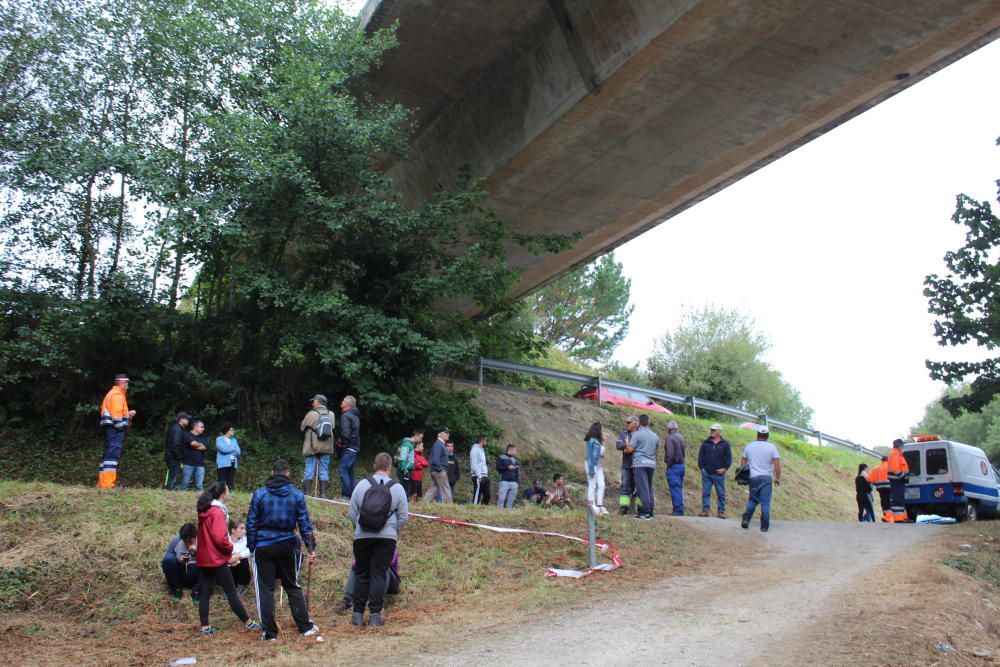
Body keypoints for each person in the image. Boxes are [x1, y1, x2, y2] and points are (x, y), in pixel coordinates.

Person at [246, 458, 319, 641]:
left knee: (265, 590)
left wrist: (252, 547)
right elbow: (304, 524)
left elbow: (251, 524)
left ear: (272, 472)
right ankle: (305, 627)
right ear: (288, 474)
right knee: (292, 585)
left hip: (263, 545)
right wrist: (311, 547)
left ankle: (270, 634)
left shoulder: (259, 494)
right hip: (287, 544)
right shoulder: (296, 495)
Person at [347, 452, 409, 627]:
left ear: (374, 466)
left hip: (362, 537)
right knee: (379, 574)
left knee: (361, 573)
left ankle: (357, 614)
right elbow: (403, 517)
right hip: (386, 538)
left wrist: (359, 529)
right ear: (390, 468)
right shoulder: (397, 488)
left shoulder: (361, 486)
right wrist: (393, 532)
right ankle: (375, 615)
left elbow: (352, 513)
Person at [195, 482, 261, 636]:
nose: (230, 492)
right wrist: (229, 551)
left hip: (205, 556)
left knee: (205, 592)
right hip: (216, 558)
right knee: (231, 591)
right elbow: (220, 537)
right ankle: (248, 622)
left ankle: (204, 627)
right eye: (228, 490)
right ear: (223, 493)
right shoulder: (217, 512)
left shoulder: (205, 509)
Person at [334, 546, 401, 615]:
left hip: (391, 582)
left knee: (384, 569)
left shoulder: (388, 543)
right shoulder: (367, 545)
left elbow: (388, 562)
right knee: (356, 569)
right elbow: (355, 563)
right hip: (372, 579)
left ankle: (378, 605)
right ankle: (347, 602)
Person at [739, 425, 781, 532]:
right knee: (765, 502)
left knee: (753, 500)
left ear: (757, 434)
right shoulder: (772, 447)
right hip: (766, 478)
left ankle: (746, 520)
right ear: (767, 436)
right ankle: (764, 526)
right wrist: (778, 478)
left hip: (753, 478)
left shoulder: (750, 446)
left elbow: (743, 460)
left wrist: (745, 472)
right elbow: (777, 464)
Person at [97, 373, 136, 489]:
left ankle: (102, 483)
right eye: (127, 383)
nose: (128, 385)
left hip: (110, 429)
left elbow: (116, 413)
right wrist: (122, 427)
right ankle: (108, 484)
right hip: (115, 430)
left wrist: (127, 415)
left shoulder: (113, 394)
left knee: (108, 455)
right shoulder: (117, 395)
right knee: (112, 456)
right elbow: (117, 417)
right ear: (122, 383)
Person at [301, 395, 335, 499]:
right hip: (326, 447)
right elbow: (332, 427)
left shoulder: (311, 414)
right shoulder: (331, 414)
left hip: (312, 446)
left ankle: (307, 494)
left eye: (314, 401)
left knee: (309, 468)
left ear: (318, 402)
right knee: (324, 469)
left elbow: (302, 427)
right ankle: (323, 495)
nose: (312, 403)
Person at [698, 423, 732, 518]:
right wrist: (702, 468)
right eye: (711, 430)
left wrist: (725, 468)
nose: (712, 431)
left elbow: (728, 458)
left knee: (721, 493)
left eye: (714, 430)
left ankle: (721, 511)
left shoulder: (725, 444)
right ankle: (705, 510)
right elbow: (701, 456)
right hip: (707, 473)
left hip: (719, 473)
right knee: (706, 492)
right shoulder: (706, 443)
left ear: (719, 432)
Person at [162, 522, 200, 603]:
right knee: (168, 559)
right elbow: (168, 561)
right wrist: (180, 561)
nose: (188, 544)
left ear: (196, 536)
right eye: (185, 542)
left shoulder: (203, 539)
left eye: (190, 541)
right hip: (182, 574)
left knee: (211, 562)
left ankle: (197, 590)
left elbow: (211, 559)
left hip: (198, 575)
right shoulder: (177, 541)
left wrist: (197, 551)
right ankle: (177, 588)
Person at [630, 414, 659, 520]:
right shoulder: (655, 435)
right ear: (648, 422)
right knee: (649, 488)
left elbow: (630, 449)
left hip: (640, 463)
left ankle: (645, 512)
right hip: (651, 463)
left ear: (639, 422)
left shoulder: (637, 434)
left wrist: (626, 444)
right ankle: (650, 511)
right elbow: (656, 450)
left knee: (642, 489)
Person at [616, 416, 640, 515]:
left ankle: (640, 507)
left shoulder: (640, 434)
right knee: (624, 486)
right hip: (626, 464)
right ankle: (624, 507)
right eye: (627, 422)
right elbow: (618, 445)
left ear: (636, 423)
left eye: (629, 422)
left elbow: (640, 446)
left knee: (639, 487)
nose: (627, 424)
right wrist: (629, 446)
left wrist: (628, 446)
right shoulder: (623, 434)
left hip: (638, 464)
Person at [339, 395, 361, 498]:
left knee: (343, 470)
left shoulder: (345, 416)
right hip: (355, 447)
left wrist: (342, 444)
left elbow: (345, 433)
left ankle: (346, 495)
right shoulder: (355, 416)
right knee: (351, 472)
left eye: (343, 400)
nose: (342, 402)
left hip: (348, 447)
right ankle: (353, 495)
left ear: (347, 404)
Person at [423, 428, 453, 504]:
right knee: (446, 488)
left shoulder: (439, 444)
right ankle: (450, 507)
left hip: (435, 470)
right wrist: (441, 469)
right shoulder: (438, 444)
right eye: (446, 433)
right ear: (440, 434)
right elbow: (435, 459)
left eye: (448, 433)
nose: (448, 434)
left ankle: (424, 504)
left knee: (432, 489)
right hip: (439, 471)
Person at [664, 420, 687, 516]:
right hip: (681, 465)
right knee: (678, 488)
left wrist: (668, 464)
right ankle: (679, 508)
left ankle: (678, 510)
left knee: (675, 488)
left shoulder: (670, 438)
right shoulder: (681, 437)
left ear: (669, 429)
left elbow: (670, 454)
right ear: (676, 428)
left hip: (674, 466)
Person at [584, 422, 607, 515]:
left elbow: (602, 454)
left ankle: (600, 505)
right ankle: (591, 504)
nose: (603, 432)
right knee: (592, 485)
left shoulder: (597, 441)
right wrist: (591, 468)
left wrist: (604, 443)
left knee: (601, 485)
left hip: (599, 466)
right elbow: (591, 455)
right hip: (591, 464)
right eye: (602, 429)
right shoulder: (592, 440)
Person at [180, 420, 209, 492]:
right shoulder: (187, 435)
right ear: (195, 427)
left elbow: (205, 447)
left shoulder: (203, 438)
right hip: (188, 464)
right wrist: (200, 444)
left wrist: (195, 444)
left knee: (199, 485)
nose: (203, 429)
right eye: (202, 427)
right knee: (185, 484)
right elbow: (193, 444)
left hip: (200, 465)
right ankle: (182, 500)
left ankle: (202, 502)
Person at [165, 412, 191, 491]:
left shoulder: (177, 428)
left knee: (174, 475)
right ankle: (169, 492)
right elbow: (175, 445)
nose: (188, 420)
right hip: (173, 456)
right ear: (181, 419)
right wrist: (180, 456)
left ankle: (170, 491)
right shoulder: (177, 429)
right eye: (187, 419)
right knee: (173, 476)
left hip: (172, 455)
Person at [887, 438, 910, 523]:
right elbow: (895, 468)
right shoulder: (895, 454)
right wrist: (903, 476)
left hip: (898, 481)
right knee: (898, 500)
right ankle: (898, 519)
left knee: (900, 500)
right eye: (902, 445)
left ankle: (902, 517)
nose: (903, 447)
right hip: (897, 481)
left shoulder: (897, 454)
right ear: (900, 445)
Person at [229, 518, 251, 595]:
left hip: (241, 571)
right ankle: (230, 586)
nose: (244, 531)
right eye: (241, 528)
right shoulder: (226, 539)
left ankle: (241, 585)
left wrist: (237, 556)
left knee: (243, 560)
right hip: (230, 567)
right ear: (233, 530)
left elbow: (250, 551)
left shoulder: (245, 540)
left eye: (244, 529)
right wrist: (230, 559)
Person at [396, 429, 421, 497]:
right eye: (420, 437)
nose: (421, 440)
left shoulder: (411, 444)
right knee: (404, 489)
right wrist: (405, 470)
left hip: (407, 470)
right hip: (404, 471)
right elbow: (403, 458)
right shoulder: (407, 444)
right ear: (416, 436)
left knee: (406, 488)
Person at [216, 423, 241, 490]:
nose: (233, 431)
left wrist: (229, 451)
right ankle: (220, 494)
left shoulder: (234, 440)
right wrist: (233, 448)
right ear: (227, 430)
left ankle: (229, 494)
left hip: (233, 462)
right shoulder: (219, 439)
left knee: (230, 480)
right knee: (221, 481)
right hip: (222, 463)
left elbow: (238, 451)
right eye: (231, 430)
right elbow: (222, 449)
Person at [470, 435, 491, 505]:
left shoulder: (482, 450)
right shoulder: (475, 450)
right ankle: (474, 508)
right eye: (486, 440)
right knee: (477, 494)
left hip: (485, 475)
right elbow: (474, 464)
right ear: (482, 440)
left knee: (487, 494)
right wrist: (479, 476)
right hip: (478, 476)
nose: (486, 442)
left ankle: (483, 507)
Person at [869, 455, 891, 520]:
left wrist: (876, 483)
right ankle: (889, 516)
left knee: (883, 501)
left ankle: (885, 515)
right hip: (889, 487)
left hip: (880, 488)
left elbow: (870, 479)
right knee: (889, 501)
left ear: (881, 460)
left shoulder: (876, 468)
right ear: (888, 460)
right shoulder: (890, 467)